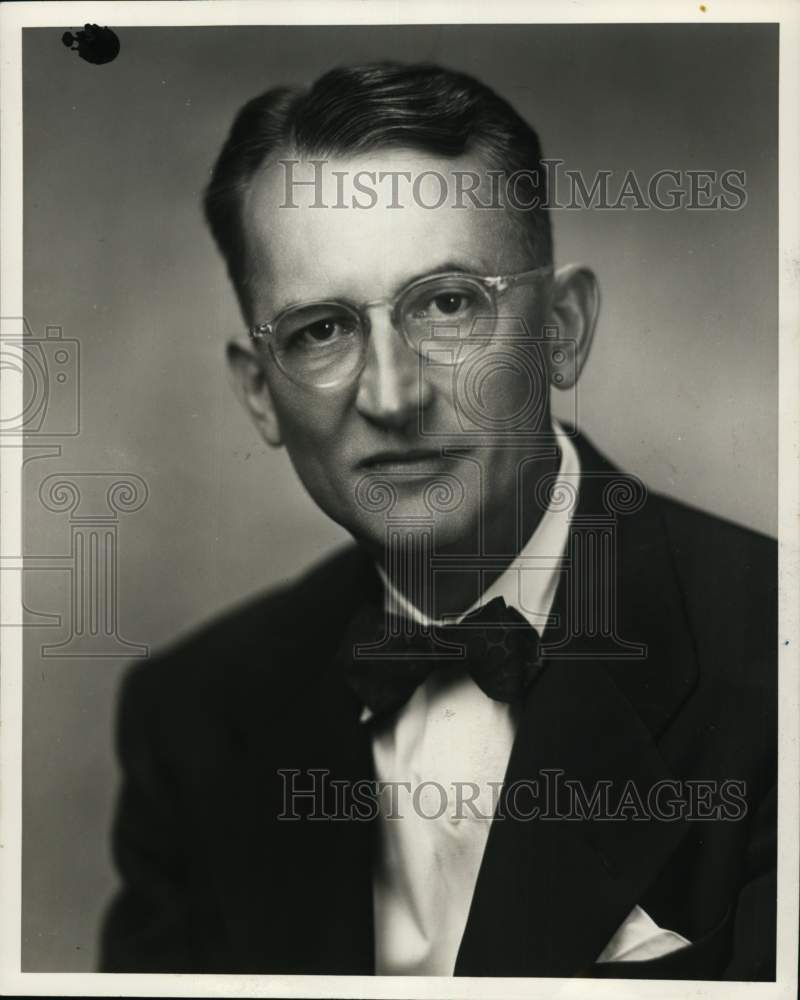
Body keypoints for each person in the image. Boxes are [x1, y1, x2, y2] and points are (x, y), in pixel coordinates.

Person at [100, 62, 776, 979]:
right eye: (320, 330)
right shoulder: (196, 719)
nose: (392, 393)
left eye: (450, 304)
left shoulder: (776, 666)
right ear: (260, 395)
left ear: (563, 329)